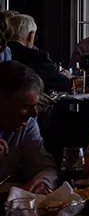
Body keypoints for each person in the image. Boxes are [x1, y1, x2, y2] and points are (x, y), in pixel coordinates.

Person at [0, 62, 58, 193]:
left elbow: (45, 167)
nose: (34, 113)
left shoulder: (26, 125)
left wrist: (42, 183)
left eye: (35, 105)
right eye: (26, 107)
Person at [5, 14, 72, 92]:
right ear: (31, 35)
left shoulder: (3, 53)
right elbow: (63, 84)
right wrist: (66, 76)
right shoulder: (38, 57)